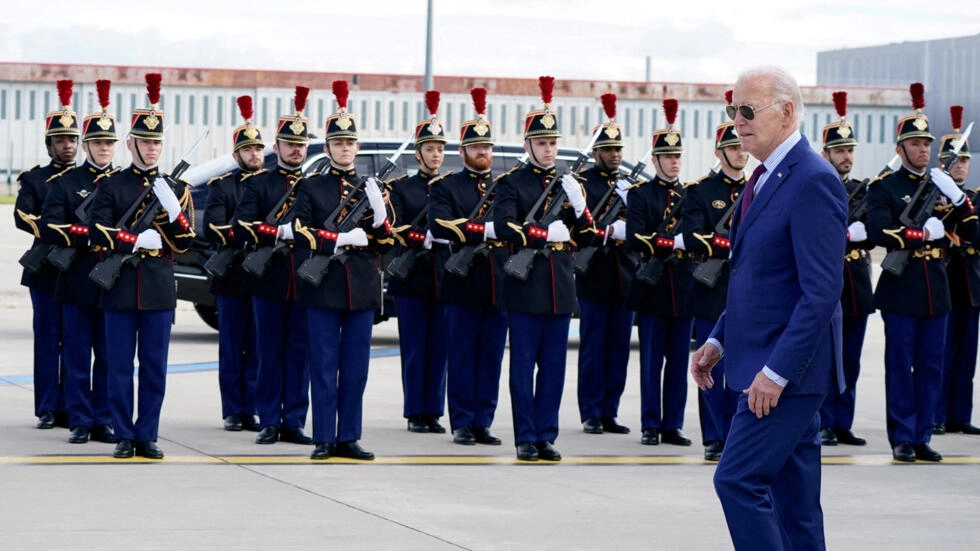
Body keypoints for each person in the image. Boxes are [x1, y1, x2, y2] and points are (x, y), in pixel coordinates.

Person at [690, 66, 847, 550]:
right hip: (767, 363)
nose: (737, 120)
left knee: (736, 481)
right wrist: (719, 339)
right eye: (732, 110)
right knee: (795, 507)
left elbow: (820, 292)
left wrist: (776, 373)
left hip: (785, 375)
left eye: (747, 110)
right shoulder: (764, 176)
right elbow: (756, 279)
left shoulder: (811, 179)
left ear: (786, 110)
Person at [866, 83, 977, 462]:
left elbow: (974, 230)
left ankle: (922, 434)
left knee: (931, 366)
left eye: (926, 143)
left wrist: (960, 200)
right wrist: (920, 233)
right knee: (900, 366)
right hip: (901, 286)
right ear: (900, 149)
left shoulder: (942, 186)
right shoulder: (884, 187)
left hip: (937, 287)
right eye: (914, 144)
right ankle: (901, 436)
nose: (923, 149)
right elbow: (879, 230)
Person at [88, 73, 196, 459]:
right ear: (130, 143)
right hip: (118, 285)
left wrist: (172, 212)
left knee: (154, 366)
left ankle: (147, 433)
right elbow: (96, 234)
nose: (152, 149)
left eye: (157, 143)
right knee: (118, 366)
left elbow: (185, 242)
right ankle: (123, 433)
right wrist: (133, 240)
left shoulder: (177, 189)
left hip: (157, 286)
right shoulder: (112, 186)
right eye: (145, 142)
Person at [493, 76, 596, 461]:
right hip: (525, 284)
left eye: (553, 143)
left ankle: (546, 435)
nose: (549, 149)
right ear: (528, 145)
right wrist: (539, 233)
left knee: (553, 368)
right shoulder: (511, 183)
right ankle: (525, 437)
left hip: (558, 284)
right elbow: (503, 225)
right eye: (542, 143)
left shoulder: (569, 182)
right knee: (522, 367)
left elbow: (586, 234)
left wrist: (580, 206)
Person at [291, 80, 393, 460]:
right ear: (329, 147)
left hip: (361, 287)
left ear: (357, 147)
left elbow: (386, 238)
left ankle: (348, 435)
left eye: (350, 143)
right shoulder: (311, 187)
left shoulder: (372, 188)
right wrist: (337, 240)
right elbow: (301, 232)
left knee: (355, 369)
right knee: (323, 365)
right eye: (338, 143)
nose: (345, 148)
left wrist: (377, 217)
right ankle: (323, 438)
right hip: (323, 287)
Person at [232, 86, 313, 446]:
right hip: (269, 277)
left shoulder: (315, 185)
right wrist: (277, 232)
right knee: (268, 352)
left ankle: (294, 420)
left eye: (301, 144)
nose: (296, 149)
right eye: (289, 143)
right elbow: (242, 224)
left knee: (300, 353)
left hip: (307, 279)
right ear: (276, 147)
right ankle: (268, 419)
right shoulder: (259, 183)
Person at [428, 88, 508, 447]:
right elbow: (439, 225)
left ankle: (483, 420)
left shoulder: (504, 187)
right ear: (462, 152)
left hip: (499, 282)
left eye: (487, 147)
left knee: (490, 356)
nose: (483, 153)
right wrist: (482, 230)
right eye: (476, 148)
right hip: (462, 281)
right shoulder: (447, 186)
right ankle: (461, 421)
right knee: (461, 355)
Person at [39, 79, 117, 444]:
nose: (104, 149)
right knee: (75, 354)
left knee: (107, 354)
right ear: (87, 145)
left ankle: (103, 418)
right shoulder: (66, 182)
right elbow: (51, 226)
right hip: (77, 276)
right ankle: (80, 418)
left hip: (112, 279)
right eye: (98, 143)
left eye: (109, 143)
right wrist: (87, 233)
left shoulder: (124, 183)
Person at [676, 94, 746, 460]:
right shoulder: (700, 191)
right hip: (712, 287)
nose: (740, 153)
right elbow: (691, 236)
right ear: (719, 152)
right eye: (732, 148)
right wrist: (726, 245)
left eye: (742, 146)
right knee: (709, 364)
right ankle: (713, 438)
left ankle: (737, 435)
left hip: (746, 291)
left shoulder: (758, 187)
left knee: (742, 366)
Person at [626, 98, 694, 447]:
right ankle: (650, 423)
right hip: (653, 287)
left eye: (678, 156)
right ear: (655, 160)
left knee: (680, 363)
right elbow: (635, 237)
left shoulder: (690, 194)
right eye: (668, 157)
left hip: (682, 289)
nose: (673, 162)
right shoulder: (642, 195)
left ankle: (673, 424)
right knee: (652, 362)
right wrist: (669, 244)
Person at [15, 79, 77, 430]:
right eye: (60, 140)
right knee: (47, 339)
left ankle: (72, 403)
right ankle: (48, 407)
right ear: (49, 143)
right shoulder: (36, 180)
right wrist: (59, 230)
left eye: (72, 139)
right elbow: (23, 216)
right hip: (45, 271)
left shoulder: (92, 178)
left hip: (77, 270)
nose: (67, 145)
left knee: (76, 340)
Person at [387, 90, 449, 435]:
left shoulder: (450, 186)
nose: (436, 155)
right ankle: (415, 412)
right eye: (430, 149)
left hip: (443, 276)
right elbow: (394, 225)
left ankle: (434, 411)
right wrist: (417, 237)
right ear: (418, 153)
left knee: (439, 347)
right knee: (414, 346)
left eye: (440, 150)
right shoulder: (403, 188)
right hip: (412, 276)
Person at [574, 93, 635, 436]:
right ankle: (591, 411)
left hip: (624, 277)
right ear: (596, 152)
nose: (615, 155)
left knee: (619, 349)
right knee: (595, 347)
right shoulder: (584, 184)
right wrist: (607, 231)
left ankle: (610, 410)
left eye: (618, 150)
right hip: (595, 275)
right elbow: (580, 230)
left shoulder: (628, 184)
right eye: (609, 150)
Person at [203, 95, 264, 432]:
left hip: (261, 277)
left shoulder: (271, 185)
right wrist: (249, 232)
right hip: (230, 276)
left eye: (257, 149)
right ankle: (232, 409)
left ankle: (251, 407)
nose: (254, 154)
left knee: (256, 347)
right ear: (236, 154)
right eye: (247, 150)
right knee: (231, 348)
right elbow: (213, 227)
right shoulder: (223, 187)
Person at [817, 91, 871, 447]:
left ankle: (843, 421)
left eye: (850, 150)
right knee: (824, 359)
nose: (846, 156)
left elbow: (875, 227)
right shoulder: (818, 186)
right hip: (826, 282)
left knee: (850, 359)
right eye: (839, 151)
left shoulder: (865, 190)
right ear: (826, 154)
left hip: (856, 282)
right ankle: (822, 421)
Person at [934, 105, 980, 435]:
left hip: (971, 285)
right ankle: (936, 414)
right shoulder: (931, 197)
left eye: (964, 160)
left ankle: (960, 416)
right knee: (940, 353)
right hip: (943, 283)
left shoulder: (975, 198)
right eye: (954, 160)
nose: (960, 165)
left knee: (966, 356)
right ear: (942, 164)